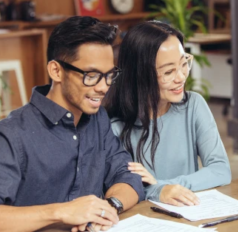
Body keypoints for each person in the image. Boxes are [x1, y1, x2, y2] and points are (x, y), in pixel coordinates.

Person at [0, 16, 144, 232]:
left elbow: (128, 175)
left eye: (109, 75)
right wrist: (61, 212)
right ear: (56, 71)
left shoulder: (98, 119)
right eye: (92, 75)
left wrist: (107, 208)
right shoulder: (11, 134)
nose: (104, 87)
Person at [104, 21, 231, 207]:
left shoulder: (193, 106)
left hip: (189, 216)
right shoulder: (114, 126)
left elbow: (220, 170)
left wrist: (161, 186)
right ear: (140, 75)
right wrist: (157, 191)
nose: (181, 77)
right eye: (169, 71)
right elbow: (114, 192)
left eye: (183, 64)